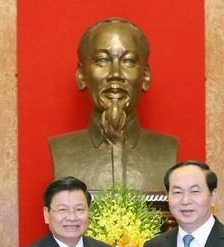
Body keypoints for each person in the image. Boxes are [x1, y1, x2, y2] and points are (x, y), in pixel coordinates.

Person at [49, 17, 178, 192]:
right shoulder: (62, 150)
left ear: (145, 76)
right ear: (81, 75)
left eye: (128, 61)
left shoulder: (166, 150)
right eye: (102, 60)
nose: (115, 74)